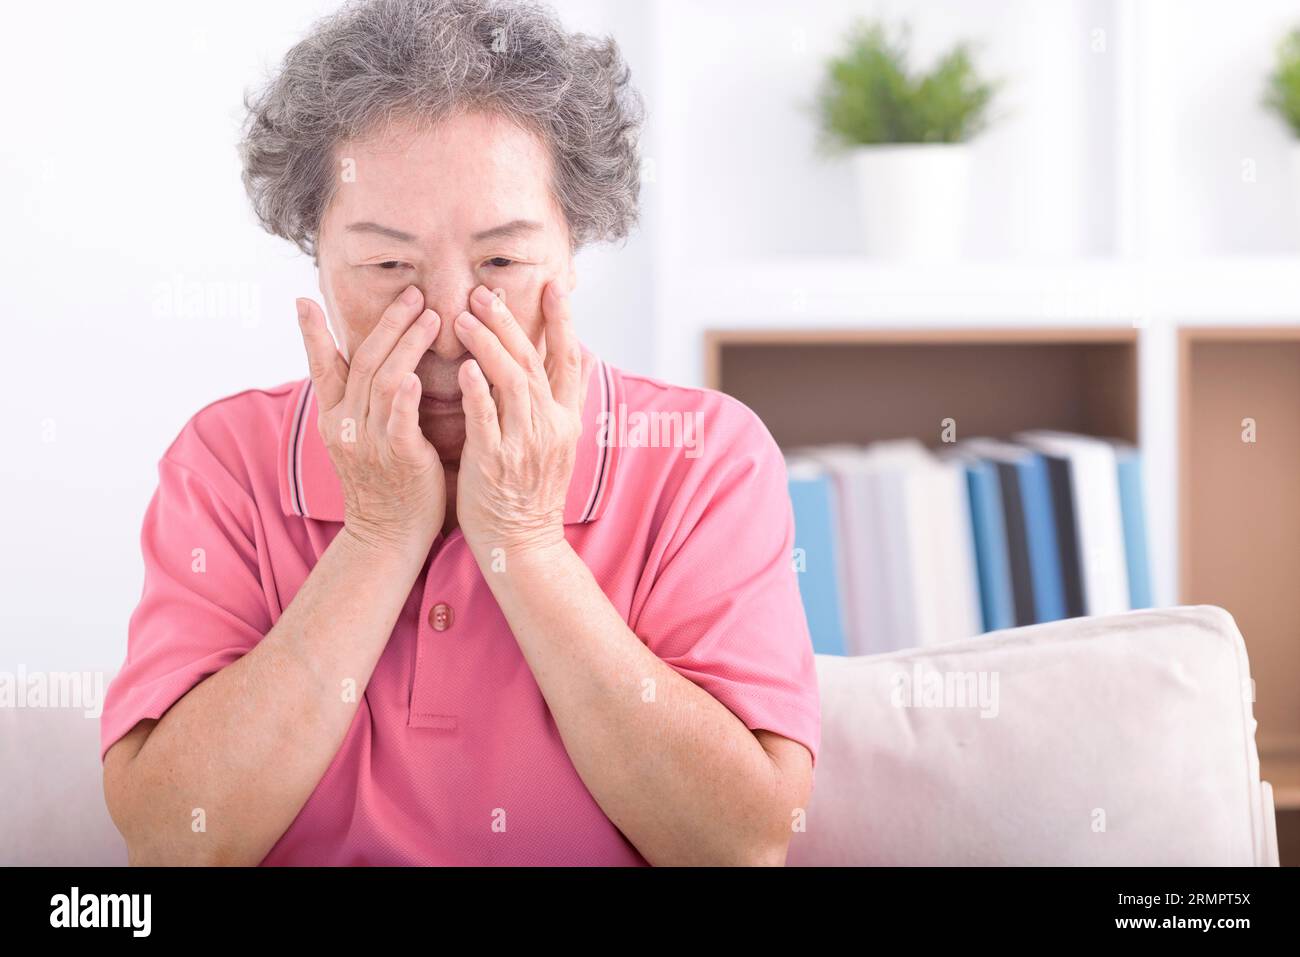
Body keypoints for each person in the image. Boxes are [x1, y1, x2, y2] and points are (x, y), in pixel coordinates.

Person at [100, 0, 819, 866]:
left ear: (573, 248)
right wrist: (376, 536)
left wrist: (526, 539)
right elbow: (172, 841)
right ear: (316, 255)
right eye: (386, 266)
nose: (444, 324)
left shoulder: (703, 456)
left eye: (502, 264)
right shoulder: (225, 462)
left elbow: (737, 843)